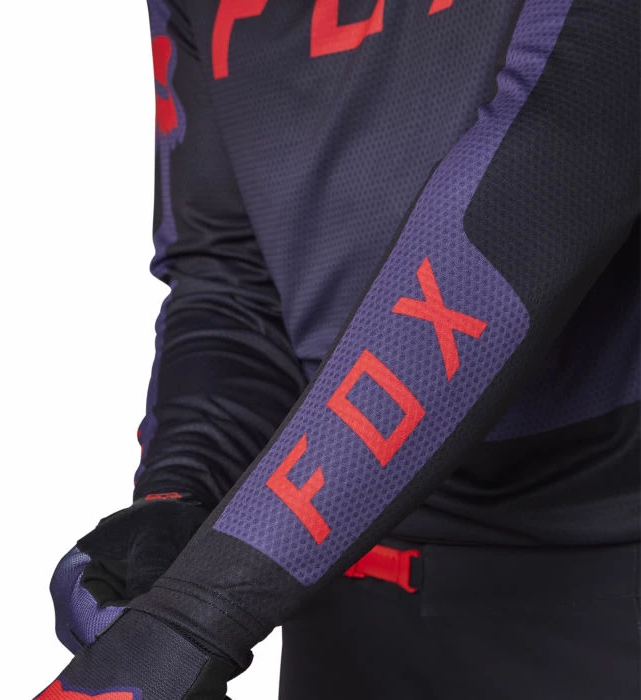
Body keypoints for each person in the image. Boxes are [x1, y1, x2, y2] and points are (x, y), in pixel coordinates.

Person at [36, 0, 640, 698]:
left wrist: (195, 611)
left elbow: (530, 203)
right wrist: (176, 500)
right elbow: (231, 278)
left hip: (604, 580)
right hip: (338, 596)